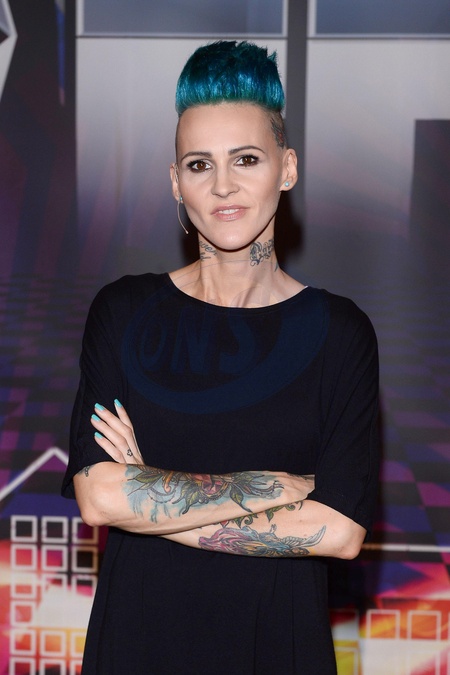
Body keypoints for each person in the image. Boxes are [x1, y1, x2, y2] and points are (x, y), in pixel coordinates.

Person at [62, 41, 379, 675]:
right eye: (199, 164)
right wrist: (281, 489)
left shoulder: (340, 334)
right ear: (175, 182)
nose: (223, 186)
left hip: (278, 652)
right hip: (138, 650)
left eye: (247, 159)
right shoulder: (125, 312)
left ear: (287, 168)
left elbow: (340, 532)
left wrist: (148, 496)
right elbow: (98, 498)